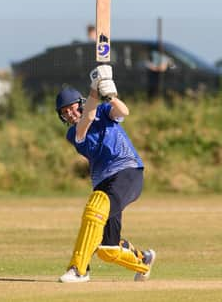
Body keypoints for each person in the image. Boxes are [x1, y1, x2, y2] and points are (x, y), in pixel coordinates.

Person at [54, 65, 155, 283]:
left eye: (72, 108)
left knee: (96, 205)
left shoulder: (103, 111)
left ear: (79, 103)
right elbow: (86, 120)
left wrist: (110, 95)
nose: (70, 113)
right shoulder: (73, 134)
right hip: (104, 182)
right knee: (107, 249)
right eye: (65, 112)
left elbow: (123, 111)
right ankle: (143, 260)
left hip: (128, 171)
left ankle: (79, 270)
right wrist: (94, 89)